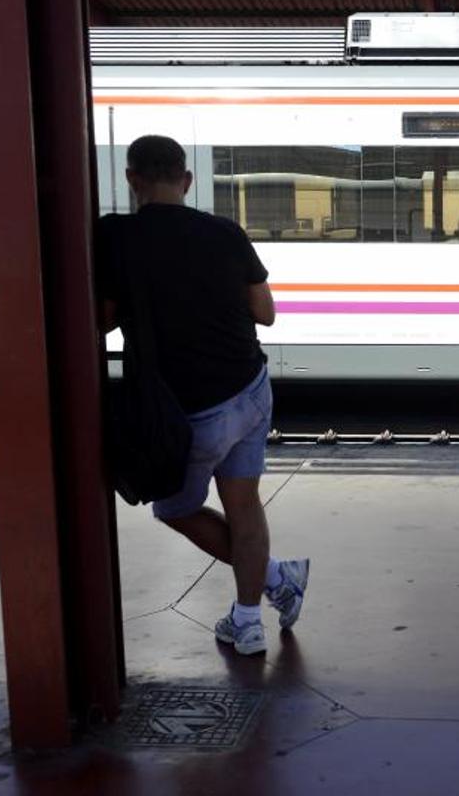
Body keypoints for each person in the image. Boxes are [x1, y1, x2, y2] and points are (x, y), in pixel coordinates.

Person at [96, 134, 307, 656]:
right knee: (244, 504)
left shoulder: (116, 237)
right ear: (186, 180)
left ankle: (276, 582)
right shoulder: (224, 232)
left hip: (187, 406)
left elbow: (99, 321)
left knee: (176, 509)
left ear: (131, 179)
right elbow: (265, 313)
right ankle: (251, 616)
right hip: (249, 388)